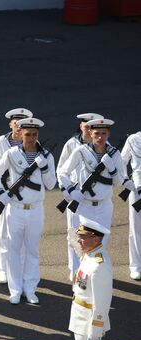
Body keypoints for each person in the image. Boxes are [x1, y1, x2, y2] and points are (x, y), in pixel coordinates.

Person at [0, 118, 56, 305]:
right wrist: (2, 192)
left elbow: (51, 184)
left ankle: (30, 288)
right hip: (16, 209)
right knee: (13, 249)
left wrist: (44, 169)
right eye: (28, 134)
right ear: (20, 134)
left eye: (35, 135)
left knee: (32, 250)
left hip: (35, 209)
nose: (31, 138)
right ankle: (15, 289)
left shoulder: (46, 157)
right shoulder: (11, 153)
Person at [57, 119, 126, 250]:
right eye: (97, 133)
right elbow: (62, 172)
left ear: (108, 134)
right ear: (90, 132)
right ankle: (82, 271)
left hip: (104, 206)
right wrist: (71, 190)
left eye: (104, 133)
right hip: (85, 206)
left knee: (101, 245)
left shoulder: (114, 154)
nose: (100, 137)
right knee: (84, 245)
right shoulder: (81, 151)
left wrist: (112, 169)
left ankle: (98, 271)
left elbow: (118, 183)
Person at [0, 108, 33, 284]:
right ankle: (2, 270)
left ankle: (18, 270)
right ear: (10, 124)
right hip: (4, 192)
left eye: (23, 123)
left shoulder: (32, 143)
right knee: (3, 233)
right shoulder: (0, 142)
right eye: (16, 122)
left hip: (24, 195)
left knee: (20, 234)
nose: (19, 126)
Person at [57, 113, 103, 281]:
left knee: (93, 236)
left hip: (93, 196)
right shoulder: (72, 144)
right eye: (86, 125)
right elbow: (61, 168)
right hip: (75, 194)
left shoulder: (102, 145)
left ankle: (93, 269)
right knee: (75, 234)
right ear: (81, 126)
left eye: (93, 126)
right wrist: (66, 190)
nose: (90, 129)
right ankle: (75, 269)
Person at [69, 215, 113, 340]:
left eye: (83, 237)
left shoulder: (99, 266)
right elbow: (79, 249)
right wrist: (75, 239)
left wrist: (95, 331)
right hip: (80, 317)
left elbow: (102, 303)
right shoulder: (90, 254)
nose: (79, 240)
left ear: (95, 239)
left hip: (88, 323)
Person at [121, 131, 141, 280]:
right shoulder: (133, 139)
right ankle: (136, 266)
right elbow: (122, 162)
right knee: (136, 228)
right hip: (137, 189)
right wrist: (127, 181)